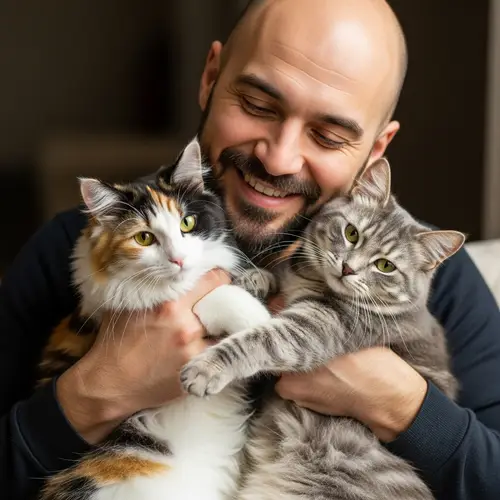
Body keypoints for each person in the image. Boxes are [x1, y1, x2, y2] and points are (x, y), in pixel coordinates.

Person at [1, 0, 499, 498]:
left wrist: (401, 404)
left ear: (375, 149)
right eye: (258, 106)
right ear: (210, 78)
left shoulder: (432, 285)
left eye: (327, 136)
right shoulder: (77, 250)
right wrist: (96, 392)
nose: (279, 159)